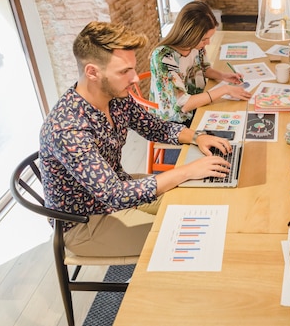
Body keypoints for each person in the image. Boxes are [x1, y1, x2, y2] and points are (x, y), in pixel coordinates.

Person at [39, 21, 235, 258]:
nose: (135, 79)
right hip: (84, 223)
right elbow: (114, 194)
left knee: (198, 202)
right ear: (92, 72)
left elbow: (152, 127)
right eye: (124, 71)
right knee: (193, 236)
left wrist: (197, 136)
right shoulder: (67, 127)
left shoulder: (115, 96)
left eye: (132, 69)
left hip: (119, 189)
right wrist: (186, 170)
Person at [149, 1, 251, 125]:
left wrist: (223, 76)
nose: (208, 43)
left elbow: (203, 68)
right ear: (190, 35)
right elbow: (184, 104)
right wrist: (225, 89)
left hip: (198, 104)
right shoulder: (164, 58)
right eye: (204, 39)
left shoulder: (195, 45)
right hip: (174, 121)